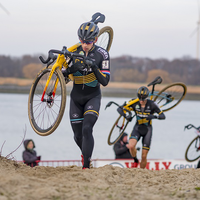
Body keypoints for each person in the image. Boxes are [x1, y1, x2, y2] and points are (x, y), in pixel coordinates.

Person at [62, 17, 110, 169]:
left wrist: (94, 67)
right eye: (82, 41)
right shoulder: (73, 51)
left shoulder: (103, 54)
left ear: (95, 39)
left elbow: (105, 81)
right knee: (77, 135)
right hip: (76, 98)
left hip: (92, 96)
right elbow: (63, 78)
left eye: (88, 42)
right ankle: (86, 154)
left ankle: (86, 166)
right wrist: (70, 69)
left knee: (87, 128)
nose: (85, 45)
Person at [118, 86, 166, 169]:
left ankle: (141, 171)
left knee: (144, 155)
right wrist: (126, 116)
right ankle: (135, 160)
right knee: (131, 146)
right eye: (139, 99)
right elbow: (119, 109)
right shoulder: (134, 102)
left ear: (146, 98)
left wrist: (154, 116)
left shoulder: (152, 104)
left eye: (143, 99)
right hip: (137, 127)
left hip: (148, 130)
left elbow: (163, 116)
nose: (141, 101)